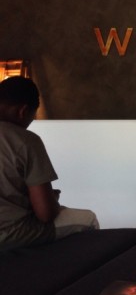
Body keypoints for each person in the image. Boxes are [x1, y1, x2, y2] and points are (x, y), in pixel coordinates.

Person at [0, 76, 99, 251]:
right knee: (88, 219)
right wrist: (51, 199)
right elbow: (45, 214)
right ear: (23, 111)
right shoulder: (26, 141)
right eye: (33, 116)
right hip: (10, 233)